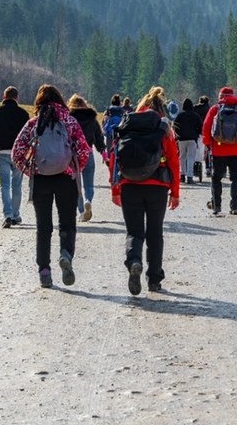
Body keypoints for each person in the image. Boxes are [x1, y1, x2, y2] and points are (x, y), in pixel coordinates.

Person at [12, 84, 90, 289]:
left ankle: (44, 272)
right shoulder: (70, 121)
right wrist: (73, 169)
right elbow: (84, 151)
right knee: (67, 224)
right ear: (60, 100)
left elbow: (17, 153)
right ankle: (65, 255)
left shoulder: (33, 124)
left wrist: (32, 171)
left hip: (41, 180)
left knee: (43, 227)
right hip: (66, 180)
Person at [109, 86, 180, 295]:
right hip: (157, 187)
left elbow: (114, 157)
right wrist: (175, 192)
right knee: (155, 233)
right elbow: (174, 162)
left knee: (134, 231)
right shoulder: (163, 127)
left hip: (129, 184)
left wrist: (115, 187)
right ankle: (154, 279)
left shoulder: (127, 124)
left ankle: (134, 261)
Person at [202, 86, 237, 215]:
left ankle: (216, 205)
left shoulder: (215, 109)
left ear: (220, 97)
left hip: (218, 151)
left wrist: (208, 144)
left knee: (216, 178)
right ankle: (235, 207)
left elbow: (206, 129)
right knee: (236, 179)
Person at [0, 86, 30, 228]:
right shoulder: (23, 114)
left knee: (4, 185)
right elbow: (28, 135)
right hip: (18, 153)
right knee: (16, 185)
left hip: (0, 151)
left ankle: (8, 215)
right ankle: (16, 215)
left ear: (3, 96)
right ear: (17, 98)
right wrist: (26, 151)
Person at [68, 94, 108, 222]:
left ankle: (81, 212)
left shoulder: (69, 118)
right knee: (88, 184)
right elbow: (99, 138)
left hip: (72, 155)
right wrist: (104, 154)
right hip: (88, 153)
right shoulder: (92, 119)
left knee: (76, 185)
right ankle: (87, 200)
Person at [173, 98, 203, 184]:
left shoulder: (180, 115)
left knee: (182, 157)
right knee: (191, 158)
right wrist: (197, 134)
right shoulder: (195, 115)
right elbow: (200, 127)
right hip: (192, 139)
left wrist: (177, 136)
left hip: (181, 139)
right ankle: (190, 177)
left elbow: (175, 127)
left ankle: (182, 175)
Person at [192, 95, 212, 177]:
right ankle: (208, 168)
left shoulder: (194, 108)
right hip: (207, 132)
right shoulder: (209, 109)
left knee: (196, 150)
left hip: (196, 132)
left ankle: (195, 169)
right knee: (207, 150)